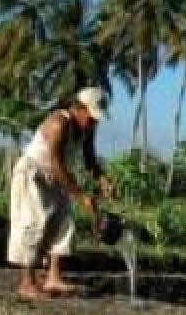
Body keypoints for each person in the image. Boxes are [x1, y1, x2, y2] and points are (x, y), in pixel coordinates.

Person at [7, 86, 115, 300]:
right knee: (34, 222)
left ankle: (53, 277)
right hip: (34, 172)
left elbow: (90, 158)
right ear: (79, 108)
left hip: (57, 175)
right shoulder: (59, 123)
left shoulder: (88, 127)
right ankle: (27, 283)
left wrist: (103, 180)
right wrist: (81, 196)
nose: (94, 123)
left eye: (96, 119)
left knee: (64, 220)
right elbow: (56, 163)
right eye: (91, 117)